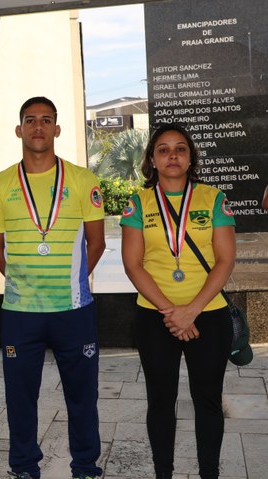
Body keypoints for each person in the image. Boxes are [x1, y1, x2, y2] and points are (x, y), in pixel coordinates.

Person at [0, 97, 106, 479]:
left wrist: (72, 282)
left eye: (46, 120)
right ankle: (23, 467)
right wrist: (22, 284)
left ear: (57, 129)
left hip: (74, 311)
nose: (38, 126)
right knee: (20, 398)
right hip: (20, 314)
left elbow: (97, 243)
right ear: (19, 129)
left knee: (82, 396)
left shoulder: (83, 180)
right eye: (31, 120)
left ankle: (85, 467)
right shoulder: (0, 184)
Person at [121, 124, 236, 479]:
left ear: (190, 157)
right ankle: (163, 473)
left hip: (208, 315)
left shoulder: (213, 198)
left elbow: (225, 260)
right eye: (164, 149)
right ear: (152, 160)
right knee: (160, 399)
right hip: (156, 317)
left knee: (208, 399)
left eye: (180, 148)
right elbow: (133, 264)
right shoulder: (138, 203)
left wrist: (192, 311)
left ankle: (209, 473)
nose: (172, 155)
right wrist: (172, 313)